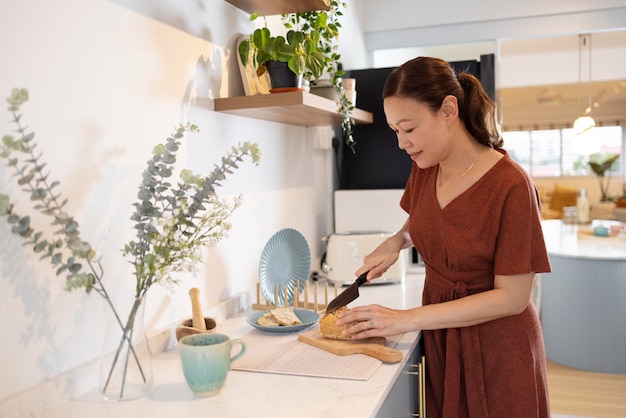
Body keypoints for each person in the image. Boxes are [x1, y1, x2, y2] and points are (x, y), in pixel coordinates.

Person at [336, 56, 552, 417]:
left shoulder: (511, 185)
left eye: (409, 128)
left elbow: (513, 298)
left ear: (448, 109)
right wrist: (398, 241)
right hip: (443, 339)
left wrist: (407, 318)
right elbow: (426, 219)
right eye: (395, 131)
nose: (402, 143)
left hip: (498, 349)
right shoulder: (425, 167)